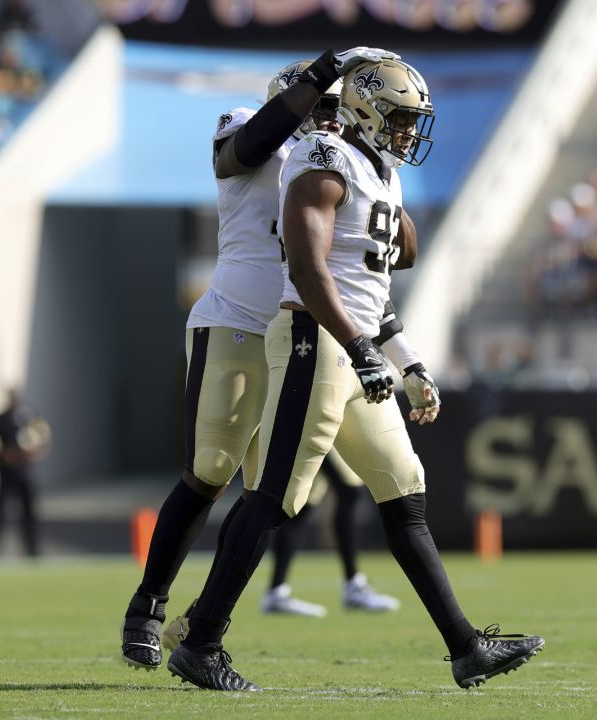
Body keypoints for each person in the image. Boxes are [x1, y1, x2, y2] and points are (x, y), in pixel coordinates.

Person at [165, 57, 544, 692]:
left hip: (353, 339)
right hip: (317, 339)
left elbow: (379, 278)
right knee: (278, 496)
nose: (407, 134)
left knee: (404, 483)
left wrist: (408, 360)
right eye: (399, 120)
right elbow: (310, 275)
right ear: (363, 108)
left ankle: (464, 647)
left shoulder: (376, 169)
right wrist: (363, 351)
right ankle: (200, 641)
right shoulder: (321, 157)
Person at [117, 47, 421, 671]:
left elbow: (394, 248)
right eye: (325, 107)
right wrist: (321, 75)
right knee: (212, 467)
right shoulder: (252, 130)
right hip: (234, 323)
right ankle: (146, 608)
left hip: (302, 335)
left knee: (275, 493)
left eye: (343, 111)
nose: (336, 121)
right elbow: (244, 151)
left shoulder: (343, 164)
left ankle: (200, 622)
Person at [261, 451, 402, 617]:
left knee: (303, 505)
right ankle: (353, 585)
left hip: (323, 430)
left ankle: (276, 591)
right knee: (349, 491)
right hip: (320, 430)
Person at [0, 388, 50, 557]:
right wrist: (4, 455)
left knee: (29, 515)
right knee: (0, 515)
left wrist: (31, 452)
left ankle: (33, 552)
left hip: (25, 474)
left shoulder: (29, 417)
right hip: (6, 474)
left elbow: (43, 439)